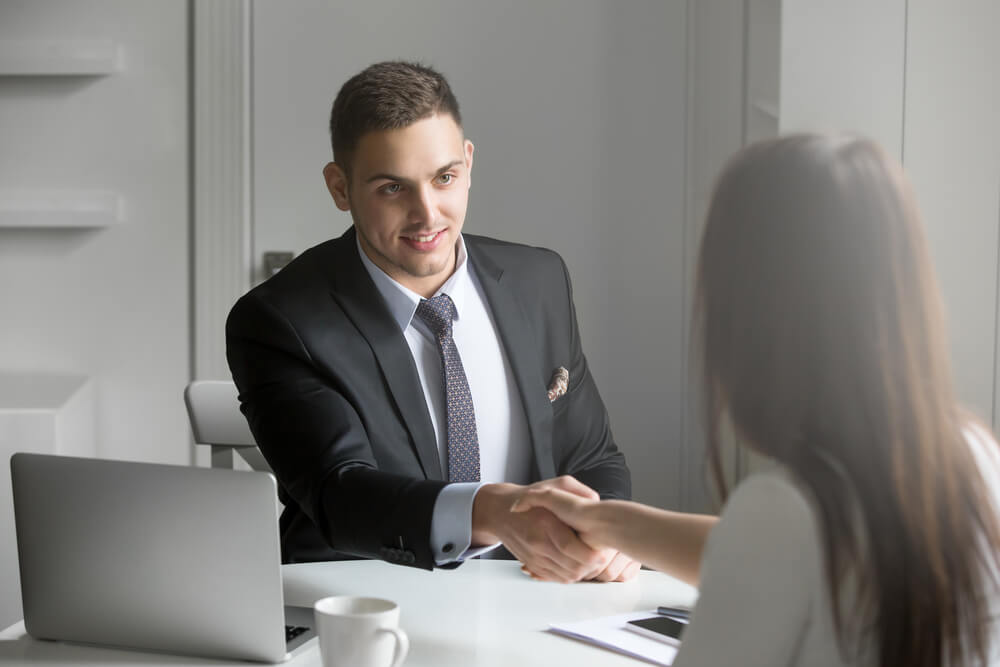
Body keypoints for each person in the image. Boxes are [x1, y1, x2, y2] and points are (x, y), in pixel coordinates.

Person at [513, 134, 1000, 665]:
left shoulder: (785, 511)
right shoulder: (973, 453)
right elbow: (769, 552)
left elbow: (773, 544)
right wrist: (613, 524)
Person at [226, 61, 638, 583]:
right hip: (363, 605)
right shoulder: (279, 321)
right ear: (340, 188)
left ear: (468, 163)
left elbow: (592, 456)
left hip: (530, 598)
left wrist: (607, 532)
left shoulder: (540, 280)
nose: (428, 215)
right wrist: (493, 511)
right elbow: (340, 492)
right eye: (393, 189)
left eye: (444, 178)